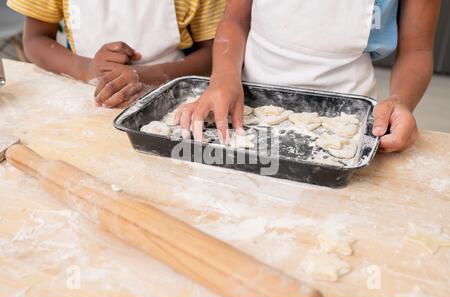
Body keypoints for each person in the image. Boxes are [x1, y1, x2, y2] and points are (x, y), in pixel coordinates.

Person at [176, 0, 441, 153]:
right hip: (246, 103)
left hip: (346, 116)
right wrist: (223, 77)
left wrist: (401, 100)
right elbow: (235, 20)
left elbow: (417, 49)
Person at [7, 0, 226, 107]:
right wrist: (86, 68)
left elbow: (214, 52)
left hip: (172, 95)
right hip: (85, 98)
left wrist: (152, 75)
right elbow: (35, 40)